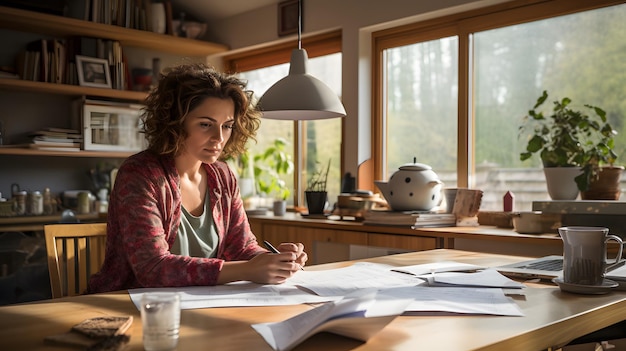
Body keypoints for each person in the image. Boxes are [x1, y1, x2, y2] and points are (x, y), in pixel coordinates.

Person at [87, 63, 307, 293]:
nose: (219, 138)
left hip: (198, 304)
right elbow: (151, 267)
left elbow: (242, 249)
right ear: (175, 121)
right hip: (129, 305)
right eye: (205, 124)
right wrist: (247, 270)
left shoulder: (223, 176)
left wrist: (278, 261)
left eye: (227, 126)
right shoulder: (140, 174)